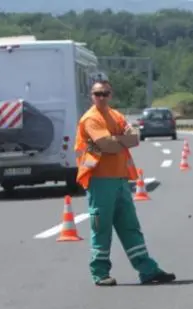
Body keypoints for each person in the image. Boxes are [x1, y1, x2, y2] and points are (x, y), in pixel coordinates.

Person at [75, 79, 176, 286]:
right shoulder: (91, 119)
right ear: (91, 96)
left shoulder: (116, 115)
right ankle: (100, 273)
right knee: (101, 228)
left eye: (105, 93)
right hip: (99, 179)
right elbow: (106, 145)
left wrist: (116, 139)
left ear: (111, 94)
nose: (101, 97)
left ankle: (148, 270)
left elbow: (135, 137)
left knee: (131, 227)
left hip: (120, 179)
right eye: (97, 94)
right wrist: (119, 139)